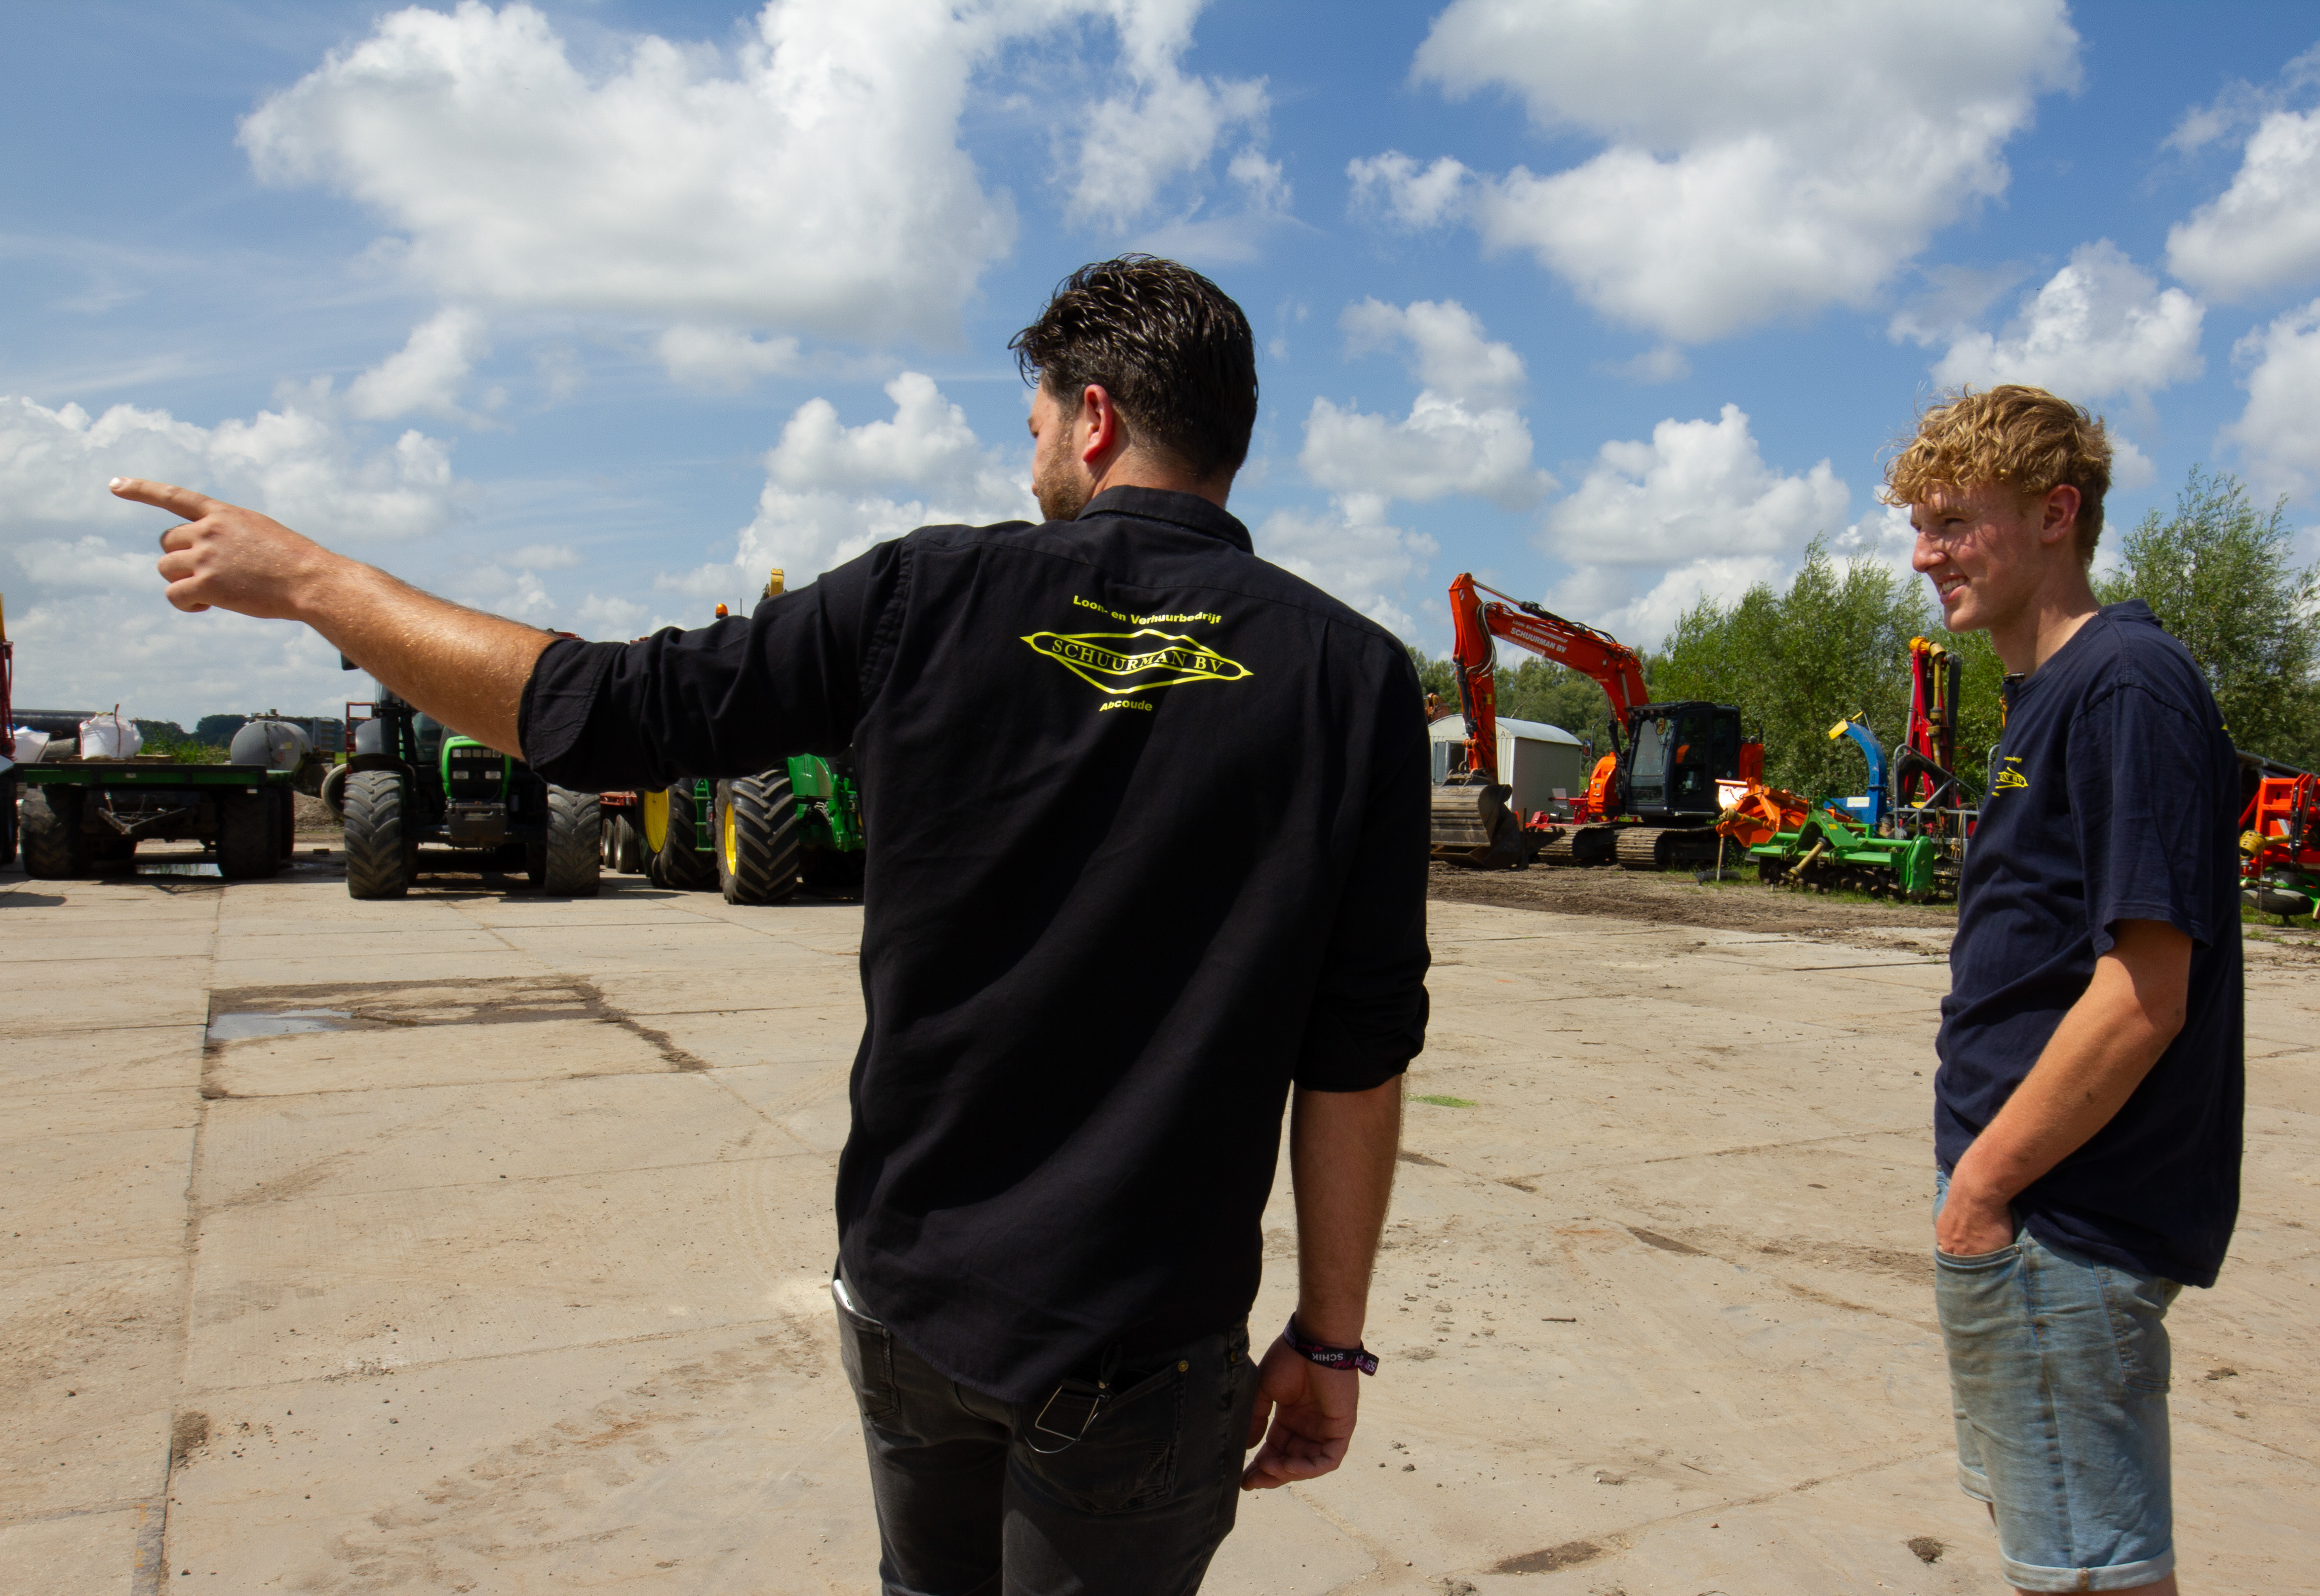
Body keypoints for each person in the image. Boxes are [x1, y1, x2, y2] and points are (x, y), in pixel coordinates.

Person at [117, 255, 1428, 1594]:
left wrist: (316, 581)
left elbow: (598, 708)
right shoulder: (1356, 678)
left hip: (914, 1307)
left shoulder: (924, 596)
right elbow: (1357, 1049)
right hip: (1142, 1352)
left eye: (1034, 420)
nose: (1030, 449)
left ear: (1095, 419)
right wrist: (1330, 1340)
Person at [1887, 385, 2244, 1596]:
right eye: (1920, 526)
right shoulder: (2045, 693)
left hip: (2062, 1219)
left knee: (2092, 1577)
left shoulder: (2125, 685)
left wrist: (1983, 1191)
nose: (1926, 554)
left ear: (2055, 514)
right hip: (2023, 1214)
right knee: (2056, 1553)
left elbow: (2145, 991)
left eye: (1954, 522)